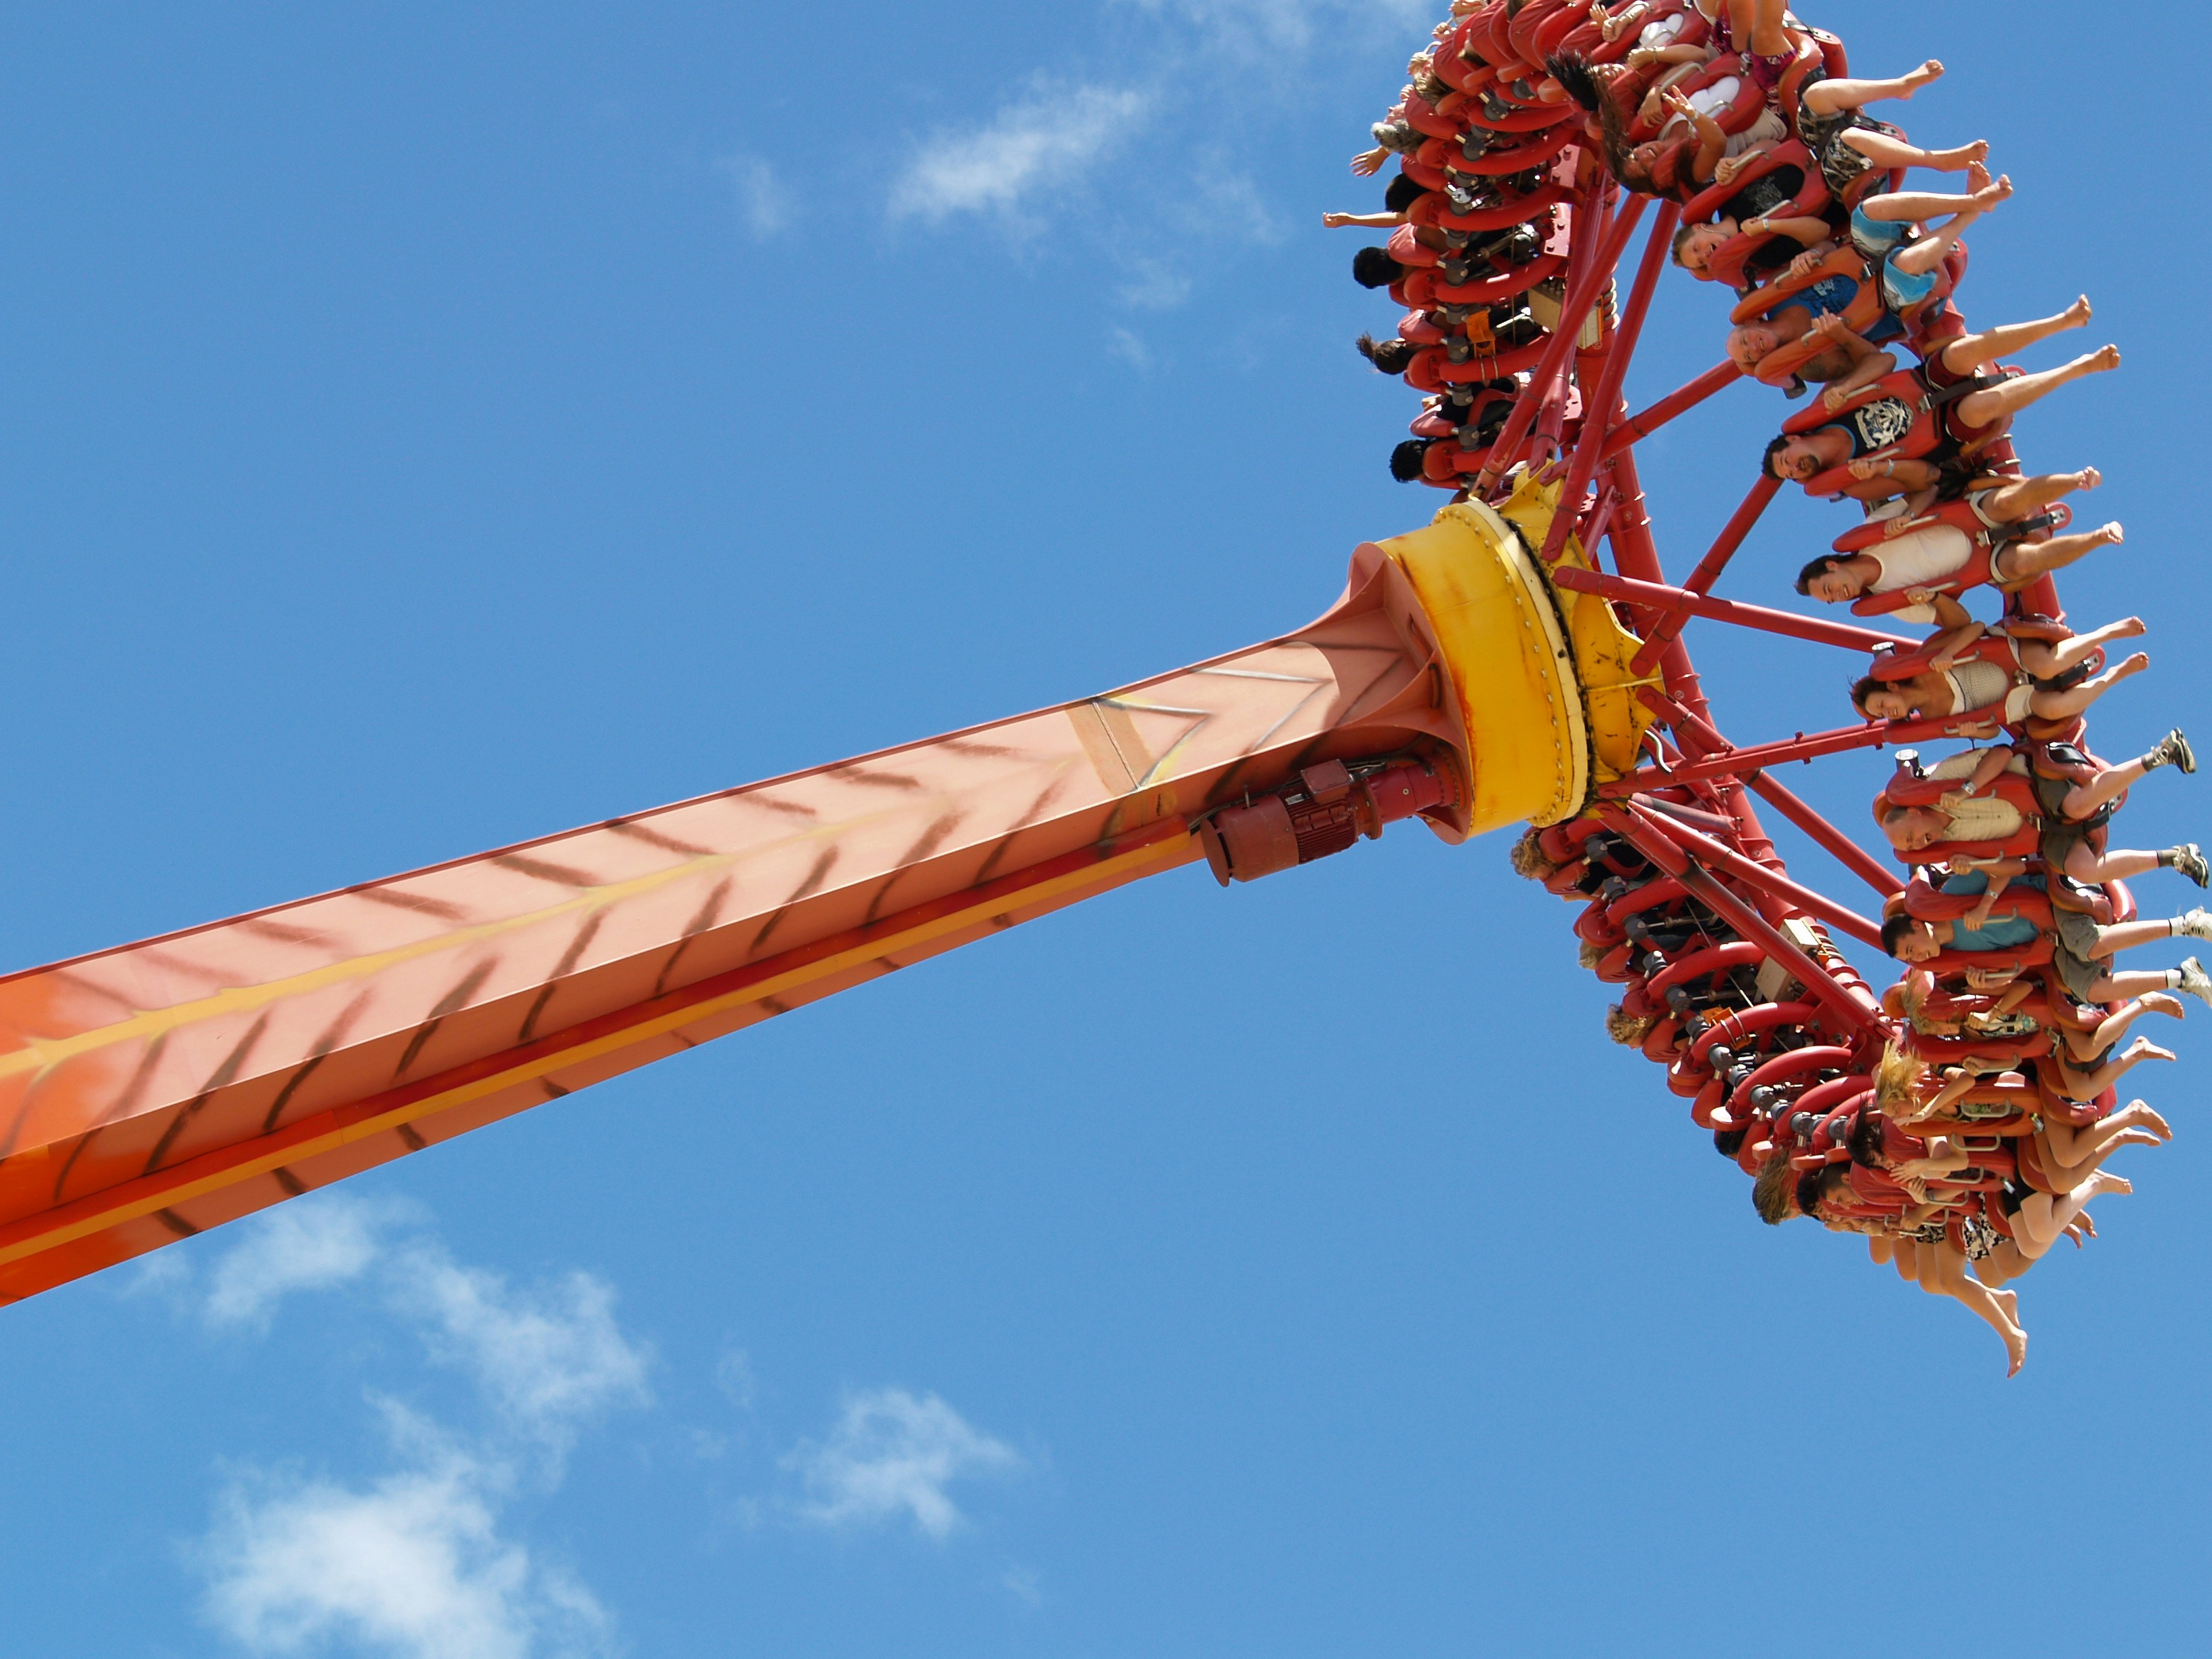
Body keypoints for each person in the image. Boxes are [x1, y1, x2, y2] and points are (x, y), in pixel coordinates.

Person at [1792, 522, 2122, 619]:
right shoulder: (1894, 605)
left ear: (1832, 565)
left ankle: (2079, 481)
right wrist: (1933, 599)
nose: (1837, 596)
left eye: (1828, 588)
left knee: (2006, 502)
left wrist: (1908, 517)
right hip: (1984, 564)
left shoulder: (1871, 532)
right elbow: (1960, 621)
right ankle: (2097, 537)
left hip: (1972, 515)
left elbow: (1923, 493)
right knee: (2024, 562)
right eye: (1831, 601)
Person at [1849, 639, 2145, 726]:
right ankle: (2117, 674)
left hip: (2010, 659)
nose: (1888, 714)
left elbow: (1972, 626)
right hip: (2015, 700)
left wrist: (1949, 652)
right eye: (1881, 715)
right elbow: (1990, 732)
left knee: (2046, 665)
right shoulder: (1933, 719)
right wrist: (1971, 730)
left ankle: (2109, 633)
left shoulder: (1926, 663)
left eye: (1882, 706)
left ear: (1891, 686)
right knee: (2058, 708)